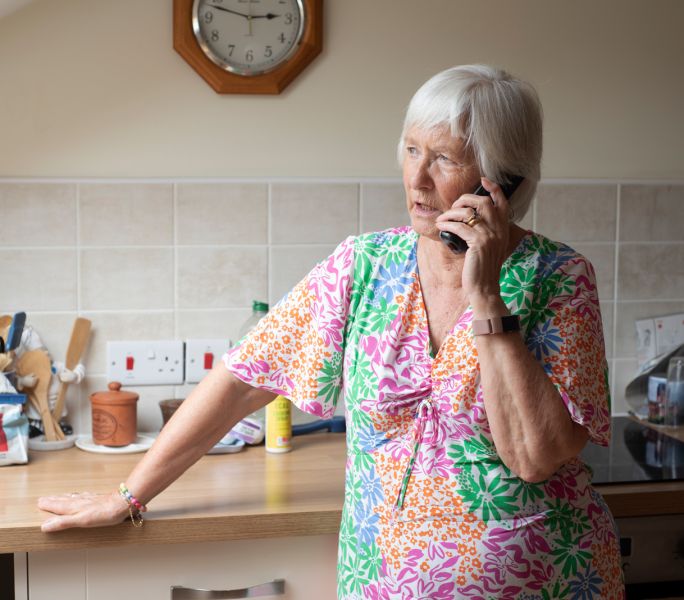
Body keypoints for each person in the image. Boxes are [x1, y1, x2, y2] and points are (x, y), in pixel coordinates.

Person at [38, 65, 624, 599]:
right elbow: (243, 381)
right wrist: (128, 495)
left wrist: (486, 296)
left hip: (545, 581)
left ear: (502, 181)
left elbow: (535, 457)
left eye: (443, 159)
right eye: (411, 149)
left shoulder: (561, 280)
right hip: (379, 580)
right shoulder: (364, 265)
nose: (417, 178)